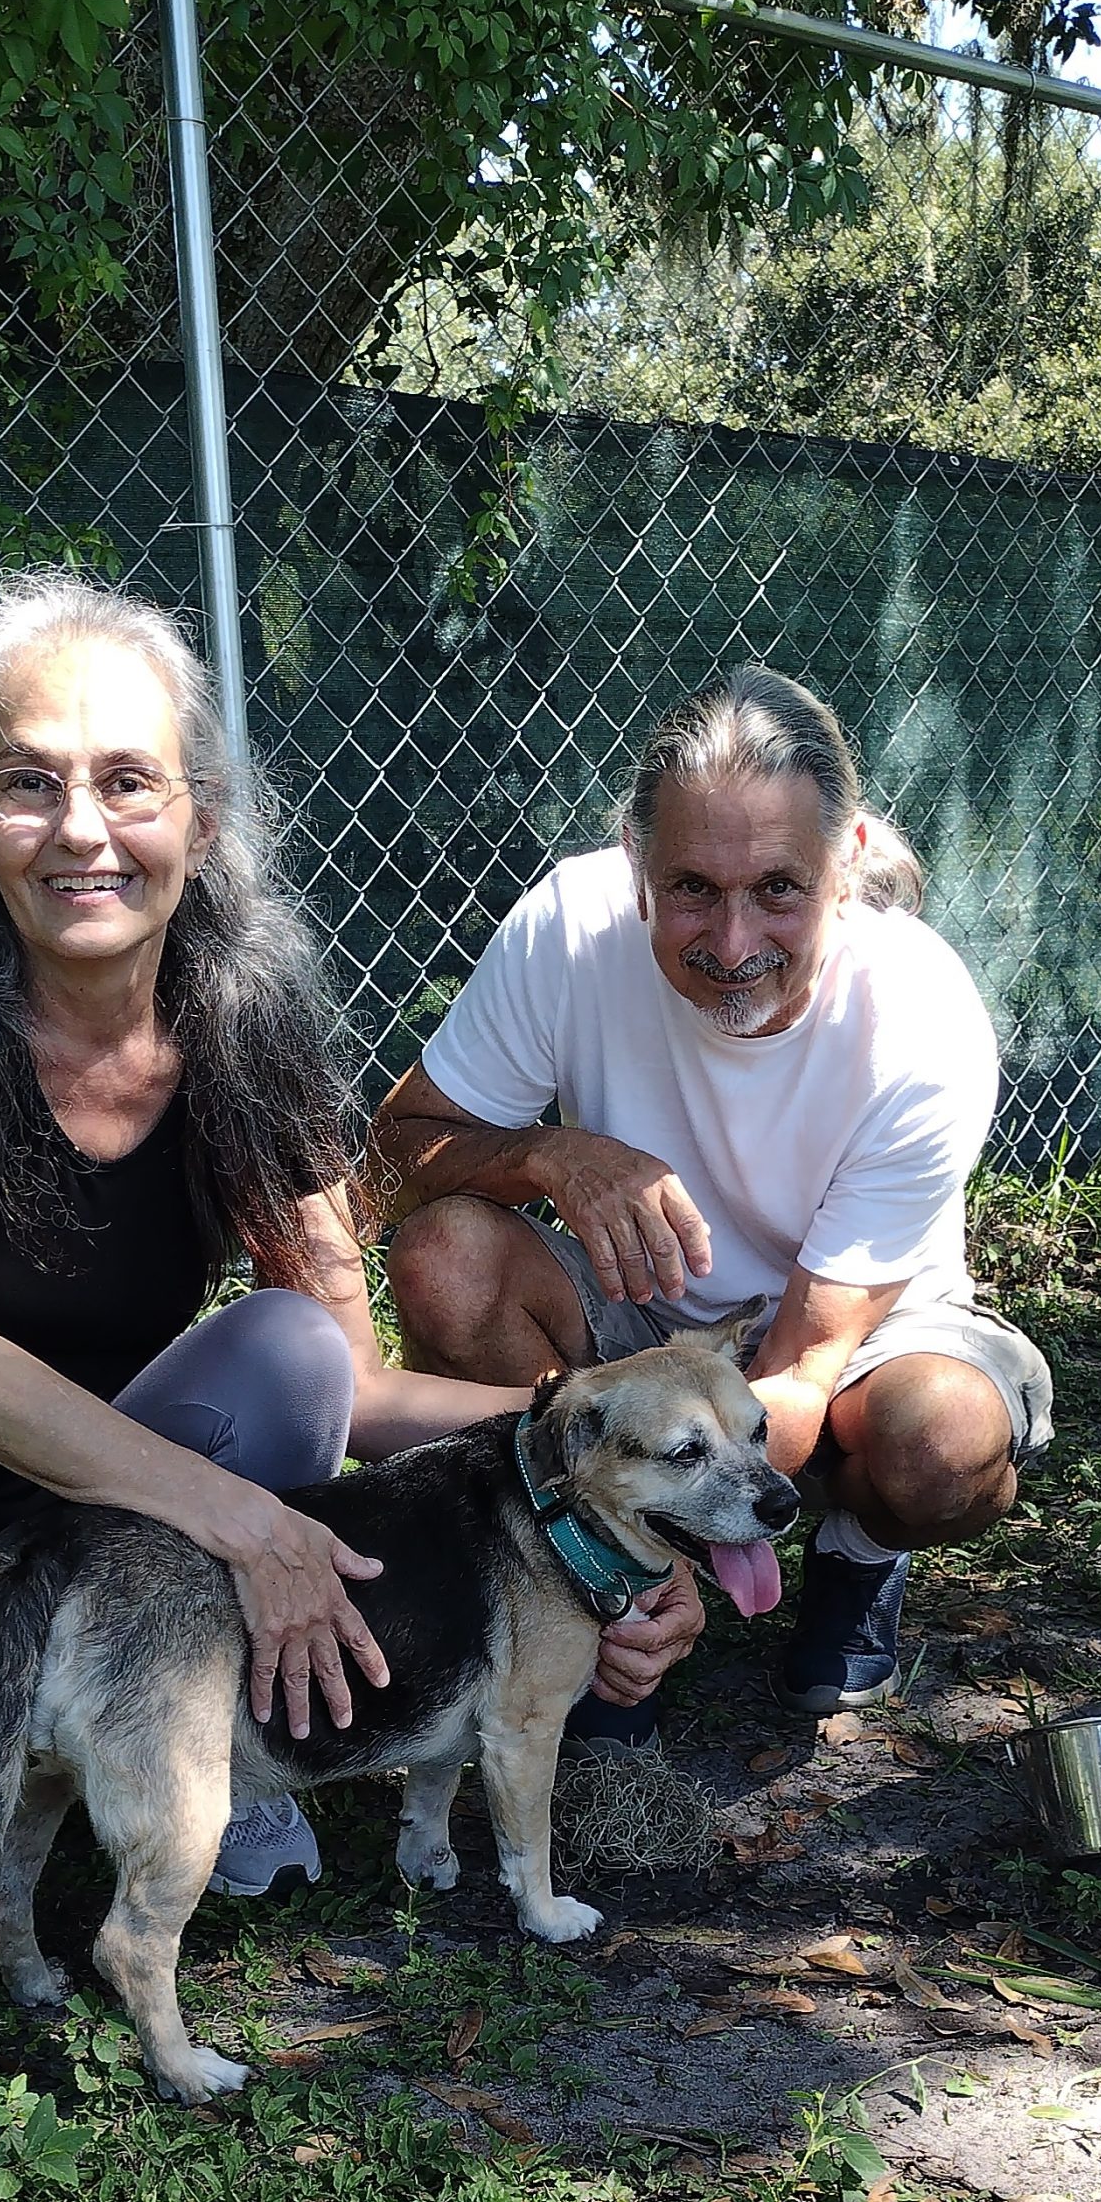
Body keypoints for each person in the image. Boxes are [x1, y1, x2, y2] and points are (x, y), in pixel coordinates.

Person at [0, 572, 520, 1882]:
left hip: (106, 1495)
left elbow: (350, 1385)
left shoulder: (248, 1025)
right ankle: (20, 1731)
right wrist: (251, 1531)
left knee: (289, 1351)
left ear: (197, 821)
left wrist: (585, 1422)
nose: (82, 830)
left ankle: (189, 1738)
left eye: (129, 782)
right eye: (30, 783)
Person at [371, 666, 1053, 1746]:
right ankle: (574, 1571)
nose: (733, 944)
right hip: (638, 1305)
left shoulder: (922, 1021)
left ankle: (857, 1552)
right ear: (636, 866)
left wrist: (696, 1531)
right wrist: (549, 1153)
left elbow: (796, 1367)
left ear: (848, 863)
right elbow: (399, 1153)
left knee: (941, 1445)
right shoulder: (567, 927)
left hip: (857, 1331)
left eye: (778, 889)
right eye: (692, 887)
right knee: (445, 1253)